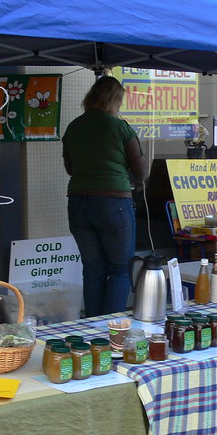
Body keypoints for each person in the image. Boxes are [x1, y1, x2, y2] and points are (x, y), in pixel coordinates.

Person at [63, 75, 149, 317]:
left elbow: (70, 168)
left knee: (93, 270)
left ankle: (92, 326)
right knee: (120, 270)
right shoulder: (119, 127)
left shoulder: (74, 127)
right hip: (114, 203)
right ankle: (111, 330)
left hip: (78, 203)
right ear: (113, 100)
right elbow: (140, 171)